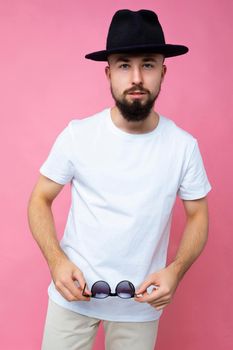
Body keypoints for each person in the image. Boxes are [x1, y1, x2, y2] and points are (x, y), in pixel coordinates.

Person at [27, 9, 212, 350]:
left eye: (149, 64)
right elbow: (39, 198)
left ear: (163, 71)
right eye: (125, 65)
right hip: (73, 299)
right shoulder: (78, 135)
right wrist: (57, 261)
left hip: (139, 307)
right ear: (108, 72)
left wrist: (176, 270)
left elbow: (198, 214)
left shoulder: (183, 146)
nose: (137, 77)